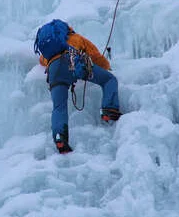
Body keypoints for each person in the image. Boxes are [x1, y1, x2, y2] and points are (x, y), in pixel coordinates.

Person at [33, 19, 121, 153]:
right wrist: (105, 67)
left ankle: (60, 138)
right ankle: (109, 110)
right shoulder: (75, 38)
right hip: (71, 61)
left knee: (59, 107)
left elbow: (43, 60)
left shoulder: (49, 51)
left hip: (54, 70)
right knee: (109, 80)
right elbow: (94, 55)